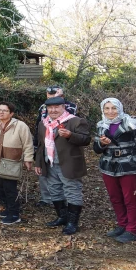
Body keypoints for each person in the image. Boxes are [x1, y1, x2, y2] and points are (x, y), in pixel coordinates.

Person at [35, 97, 91, 234]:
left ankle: (72, 223)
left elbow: (86, 140)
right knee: (54, 191)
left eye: (56, 107)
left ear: (63, 107)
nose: (53, 110)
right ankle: (62, 217)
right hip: (50, 163)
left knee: (72, 192)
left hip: (69, 163)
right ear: (46, 109)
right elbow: (41, 145)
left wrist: (70, 135)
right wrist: (38, 163)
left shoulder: (75, 121)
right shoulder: (43, 123)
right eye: (50, 108)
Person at [93, 98, 136, 243]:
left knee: (130, 199)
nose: (110, 111)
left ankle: (132, 230)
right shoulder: (101, 125)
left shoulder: (132, 124)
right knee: (115, 197)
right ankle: (122, 224)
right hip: (108, 166)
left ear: (120, 108)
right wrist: (101, 144)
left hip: (129, 166)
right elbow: (96, 149)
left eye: (114, 108)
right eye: (107, 108)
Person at [33, 85, 78, 207]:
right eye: (49, 97)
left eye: (55, 97)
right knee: (44, 170)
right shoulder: (42, 107)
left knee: (63, 174)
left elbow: (70, 123)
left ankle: (65, 200)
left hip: (62, 142)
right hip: (45, 141)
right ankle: (46, 198)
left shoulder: (70, 106)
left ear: (62, 96)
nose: (51, 100)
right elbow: (39, 124)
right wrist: (36, 142)